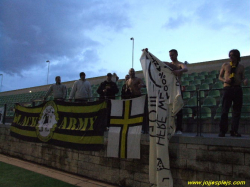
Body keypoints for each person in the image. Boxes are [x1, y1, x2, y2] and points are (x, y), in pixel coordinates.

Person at [218, 49, 248, 137]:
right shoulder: (225, 65)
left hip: (237, 89)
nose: (231, 57)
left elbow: (243, 77)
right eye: (230, 55)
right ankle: (222, 131)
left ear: (237, 56)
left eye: (233, 55)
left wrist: (245, 80)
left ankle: (234, 131)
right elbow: (220, 77)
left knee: (236, 111)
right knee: (224, 110)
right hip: (228, 88)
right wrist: (225, 80)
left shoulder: (241, 66)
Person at [164, 49, 188, 135]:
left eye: (173, 55)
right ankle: (169, 127)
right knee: (169, 109)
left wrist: (179, 71)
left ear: (176, 54)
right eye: (170, 55)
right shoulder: (168, 64)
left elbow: (185, 68)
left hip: (177, 88)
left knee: (179, 109)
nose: (171, 57)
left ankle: (179, 128)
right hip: (169, 89)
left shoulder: (180, 64)